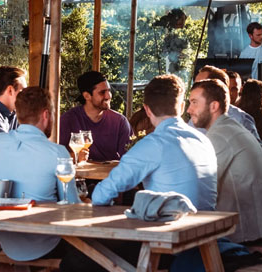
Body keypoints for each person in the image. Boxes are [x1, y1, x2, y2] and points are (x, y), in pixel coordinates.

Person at [92, 74, 217, 210]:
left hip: (173, 227)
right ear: (181, 107)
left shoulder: (153, 144)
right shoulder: (203, 140)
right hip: (209, 226)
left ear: (147, 110)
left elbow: (100, 195)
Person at [0, 86, 80, 262]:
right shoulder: (58, 152)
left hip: (7, 241)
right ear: (46, 115)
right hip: (45, 242)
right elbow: (72, 207)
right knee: (103, 248)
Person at [188, 79, 262, 243]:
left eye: (194, 103)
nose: (189, 109)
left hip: (247, 236)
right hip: (261, 228)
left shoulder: (219, 136)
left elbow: (200, 189)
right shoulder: (230, 127)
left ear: (214, 106)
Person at [192, 65, 262, 161]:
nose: (194, 90)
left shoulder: (241, 119)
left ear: (216, 88)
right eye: (194, 84)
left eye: (199, 85)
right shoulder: (193, 119)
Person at [59, 71, 132, 161]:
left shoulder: (120, 121)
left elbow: (130, 158)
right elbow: (53, 156)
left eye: (109, 91)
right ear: (87, 96)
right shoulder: (68, 120)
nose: (108, 96)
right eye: (102, 92)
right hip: (77, 174)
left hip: (111, 174)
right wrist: (75, 157)